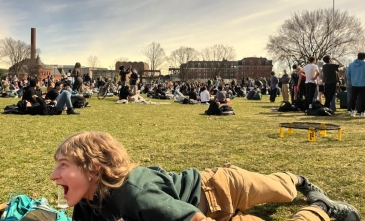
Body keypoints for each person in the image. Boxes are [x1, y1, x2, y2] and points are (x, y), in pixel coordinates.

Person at [50, 132, 360, 221]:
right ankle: (321, 209)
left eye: (63, 165)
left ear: (94, 169)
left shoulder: (133, 191)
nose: (53, 175)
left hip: (220, 187)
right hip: (208, 213)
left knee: (283, 190)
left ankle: (301, 181)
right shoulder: (86, 205)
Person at [346, 52, 365, 117]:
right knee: (363, 99)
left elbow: (348, 75)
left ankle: (353, 111)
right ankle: (362, 112)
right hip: (363, 84)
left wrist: (352, 81)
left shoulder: (351, 65)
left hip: (354, 84)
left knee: (353, 98)